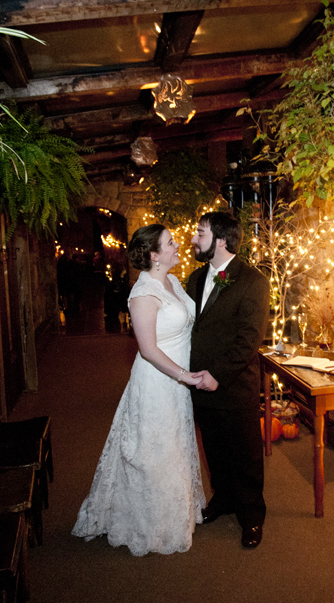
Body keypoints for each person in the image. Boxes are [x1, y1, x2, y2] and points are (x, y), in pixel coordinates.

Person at [72, 224, 206, 556]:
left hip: (177, 382)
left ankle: (178, 511)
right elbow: (147, 349)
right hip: (159, 382)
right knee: (153, 449)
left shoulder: (172, 281)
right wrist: (185, 375)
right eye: (171, 242)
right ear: (154, 255)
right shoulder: (143, 293)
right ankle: (150, 524)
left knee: (176, 443)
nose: (178, 245)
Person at [187, 211, 270, 548]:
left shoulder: (253, 281)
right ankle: (222, 499)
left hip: (234, 387)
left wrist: (217, 376)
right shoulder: (194, 278)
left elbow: (249, 340)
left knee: (245, 453)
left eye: (200, 232)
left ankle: (251, 516)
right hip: (199, 385)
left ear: (221, 239)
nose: (194, 238)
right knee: (214, 450)